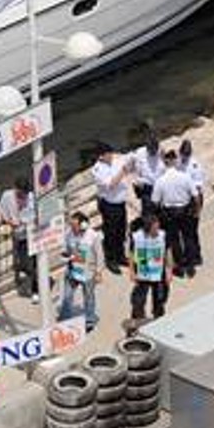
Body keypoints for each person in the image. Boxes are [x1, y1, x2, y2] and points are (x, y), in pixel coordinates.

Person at [151, 147, 197, 279]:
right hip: (185, 210)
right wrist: (196, 211)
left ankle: (181, 267)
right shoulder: (185, 177)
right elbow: (195, 195)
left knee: (175, 240)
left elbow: (155, 201)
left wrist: (155, 217)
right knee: (188, 238)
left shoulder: (160, 181)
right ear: (176, 160)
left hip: (169, 213)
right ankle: (191, 266)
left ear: (165, 161)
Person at [91, 141, 131, 272]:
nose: (111, 156)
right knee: (110, 233)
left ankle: (120, 256)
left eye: (111, 153)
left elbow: (128, 158)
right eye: (108, 154)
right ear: (101, 156)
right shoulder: (97, 170)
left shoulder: (116, 161)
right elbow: (110, 184)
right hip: (109, 205)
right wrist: (122, 173)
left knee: (121, 230)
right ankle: (111, 259)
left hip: (120, 202)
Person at [0, 175, 36, 298]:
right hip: (18, 234)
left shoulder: (31, 196)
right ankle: (31, 283)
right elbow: (2, 214)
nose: (24, 195)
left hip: (31, 233)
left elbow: (36, 211)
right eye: (21, 192)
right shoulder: (7, 196)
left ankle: (35, 288)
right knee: (23, 263)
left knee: (33, 262)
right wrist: (10, 223)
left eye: (25, 192)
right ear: (16, 188)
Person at [58, 210, 98, 331]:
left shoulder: (93, 236)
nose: (72, 228)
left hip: (87, 272)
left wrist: (98, 272)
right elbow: (65, 249)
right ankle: (65, 319)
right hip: (72, 270)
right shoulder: (68, 233)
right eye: (71, 225)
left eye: (74, 225)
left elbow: (99, 255)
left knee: (89, 297)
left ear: (83, 224)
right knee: (67, 296)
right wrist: (66, 256)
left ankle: (89, 320)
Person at [129, 213, 169, 324]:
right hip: (143, 272)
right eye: (154, 228)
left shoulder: (163, 235)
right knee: (138, 300)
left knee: (160, 297)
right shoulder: (137, 237)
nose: (157, 230)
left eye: (158, 227)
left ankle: (159, 317)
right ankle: (137, 320)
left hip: (158, 272)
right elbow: (132, 254)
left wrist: (169, 270)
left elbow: (167, 252)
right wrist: (132, 271)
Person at [178, 138, 206, 274]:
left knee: (191, 231)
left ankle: (194, 257)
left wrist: (197, 208)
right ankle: (194, 255)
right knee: (187, 231)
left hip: (193, 200)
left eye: (186, 154)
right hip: (183, 199)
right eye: (183, 153)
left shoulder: (195, 166)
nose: (184, 156)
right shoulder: (179, 163)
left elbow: (199, 189)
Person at [129, 129, 165, 213]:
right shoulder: (139, 153)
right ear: (147, 148)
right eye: (151, 150)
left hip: (159, 186)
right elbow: (132, 166)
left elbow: (165, 158)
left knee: (160, 209)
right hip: (147, 188)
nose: (153, 152)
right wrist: (137, 179)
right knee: (147, 210)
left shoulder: (160, 150)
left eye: (154, 150)